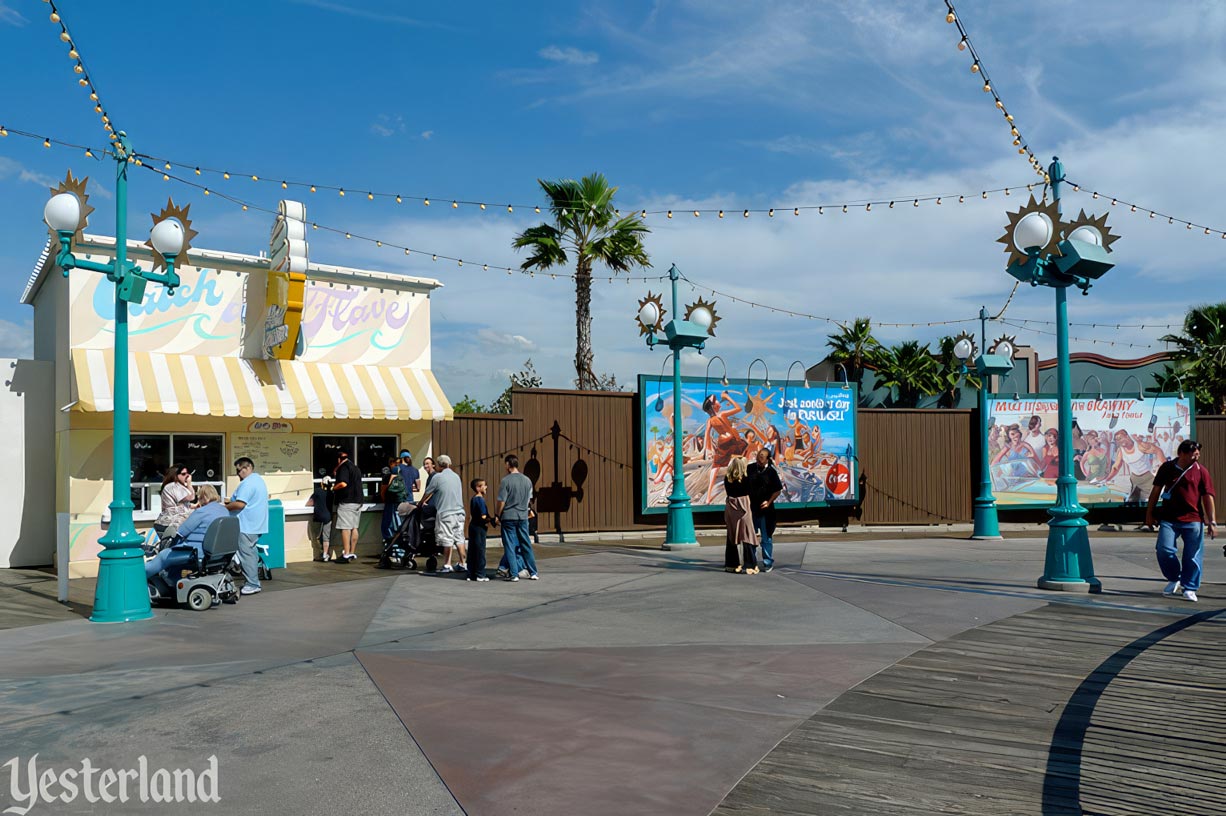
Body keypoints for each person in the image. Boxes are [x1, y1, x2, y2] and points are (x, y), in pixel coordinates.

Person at [1145, 439, 1216, 603]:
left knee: (1193, 556)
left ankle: (1190, 587)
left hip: (1193, 519)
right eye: (1193, 451)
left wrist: (1211, 521)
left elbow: (1208, 496)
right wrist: (1149, 513)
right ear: (1182, 453)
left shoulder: (1201, 471)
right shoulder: (1168, 468)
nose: (1197, 454)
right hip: (1169, 518)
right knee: (1164, 550)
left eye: (1198, 451)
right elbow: (1156, 491)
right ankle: (1174, 577)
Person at [146, 484, 227, 595]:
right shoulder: (224, 511)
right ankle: (173, 583)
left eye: (199, 497)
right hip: (218, 554)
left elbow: (181, 532)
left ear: (203, 497)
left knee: (163, 556)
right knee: (174, 562)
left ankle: (137, 576)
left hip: (196, 552)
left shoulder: (201, 512)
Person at [226, 457, 268, 595]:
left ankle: (252, 583)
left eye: (239, 470)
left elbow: (239, 504)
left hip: (246, 525)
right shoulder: (258, 480)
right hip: (255, 525)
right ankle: (252, 580)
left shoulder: (247, 484)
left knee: (246, 554)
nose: (238, 474)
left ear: (248, 468)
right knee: (251, 552)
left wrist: (224, 506)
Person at [420, 454, 465, 573]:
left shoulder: (438, 477)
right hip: (460, 512)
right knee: (459, 538)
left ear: (439, 465)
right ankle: (463, 563)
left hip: (446, 513)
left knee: (447, 539)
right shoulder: (456, 476)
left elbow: (428, 492)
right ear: (449, 464)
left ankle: (447, 564)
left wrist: (420, 504)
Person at [495, 454, 536, 581]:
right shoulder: (527, 480)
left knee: (510, 545)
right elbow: (529, 499)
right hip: (523, 516)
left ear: (508, 464)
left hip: (509, 516)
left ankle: (514, 573)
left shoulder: (506, 481)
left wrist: (497, 514)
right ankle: (533, 572)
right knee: (525, 544)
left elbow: (501, 500)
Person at [1099, 430, 1164, 506]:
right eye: (1117, 440)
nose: (1119, 441)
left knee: (1150, 502)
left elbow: (1158, 450)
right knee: (1132, 502)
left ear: (1127, 436)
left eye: (1120, 438)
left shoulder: (1140, 446)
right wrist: (1106, 479)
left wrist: (1164, 465)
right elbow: (1116, 467)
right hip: (1135, 478)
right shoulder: (1121, 451)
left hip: (1148, 478)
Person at [747, 448, 783, 572]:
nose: (759, 458)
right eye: (758, 455)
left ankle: (767, 562)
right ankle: (752, 562)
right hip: (752, 508)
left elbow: (777, 490)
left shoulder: (771, 472)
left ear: (767, 459)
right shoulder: (750, 468)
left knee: (766, 536)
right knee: (751, 536)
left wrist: (768, 502)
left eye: (762, 456)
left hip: (766, 510)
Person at [723, 456, 758, 574]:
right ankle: (750, 565)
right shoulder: (747, 479)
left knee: (732, 536)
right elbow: (751, 492)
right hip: (743, 506)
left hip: (731, 507)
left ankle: (731, 564)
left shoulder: (727, 478)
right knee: (747, 535)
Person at [331, 449, 364, 564]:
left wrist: (333, 488)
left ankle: (346, 554)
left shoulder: (343, 467)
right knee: (354, 527)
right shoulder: (355, 468)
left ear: (338, 459)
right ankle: (352, 552)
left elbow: (343, 483)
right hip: (358, 501)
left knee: (345, 528)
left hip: (347, 501)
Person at [154, 464, 196, 541]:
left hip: (174, 521)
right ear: (175, 475)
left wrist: (194, 506)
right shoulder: (172, 486)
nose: (187, 476)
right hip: (170, 523)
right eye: (183, 474)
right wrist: (189, 483)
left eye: (187, 473)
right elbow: (191, 497)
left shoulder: (179, 486)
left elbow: (182, 504)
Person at [466, 478, 496, 582]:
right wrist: (492, 520)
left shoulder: (473, 499)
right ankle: (480, 574)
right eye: (484, 485)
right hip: (479, 528)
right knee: (480, 550)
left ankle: (471, 573)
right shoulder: (480, 500)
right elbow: (483, 516)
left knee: (472, 550)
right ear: (478, 488)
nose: (486, 487)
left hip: (473, 526)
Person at [380, 456, 409, 544]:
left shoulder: (389, 476)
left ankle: (391, 544)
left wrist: (383, 498)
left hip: (391, 503)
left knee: (389, 524)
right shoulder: (402, 475)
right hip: (401, 502)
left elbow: (383, 490)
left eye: (398, 463)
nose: (397, 465)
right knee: (399, 524)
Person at [307, 476, 334, 561]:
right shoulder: (332, 493)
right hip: (328, 517)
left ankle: (317, 554)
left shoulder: (317, 491)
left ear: (322, 483)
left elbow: (309, 503)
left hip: (318, 516)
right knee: (326, 537)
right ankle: (325, 554)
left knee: (316, 536)